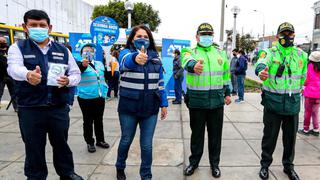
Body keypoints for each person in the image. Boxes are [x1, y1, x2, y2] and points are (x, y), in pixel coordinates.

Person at [7, 9, 83, 180]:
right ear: (24, 27)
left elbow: (76, 74)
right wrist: (27, 75)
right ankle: (35, 176)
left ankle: (67, 173)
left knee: (61, 144)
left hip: (58, 107)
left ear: (49, 27)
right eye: (33, 25)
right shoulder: (17, 47)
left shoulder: (63, 50)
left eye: (42, 25)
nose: (38, 28)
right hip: (30, 108)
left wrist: (68, 81)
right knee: (34, 147)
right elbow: (13, 68)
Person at [255, 22, 307, 180]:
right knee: (269, 137)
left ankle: (288, 167)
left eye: (290, 34)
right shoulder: (270, 52)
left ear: (293, 35)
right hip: (273, 102)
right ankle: (265, 165)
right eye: (284, 34)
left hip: (292, 104)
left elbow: (303, 77)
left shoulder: (301, 55)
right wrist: (261, 71)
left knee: (290, 139)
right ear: (277, 36)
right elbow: (261, 63)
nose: (287, 36)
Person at [115, 25, 168, 180]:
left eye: (145, 36)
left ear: (149, 39)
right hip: (128, 108)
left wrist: (164, 103)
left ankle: (146, 175)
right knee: (126, 140)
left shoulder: (155, 57)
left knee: (147, 145)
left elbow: (160, 83)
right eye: (138, 36)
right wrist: (136, 58)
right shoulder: (125, 53)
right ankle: (120, 166)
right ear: (132, 38)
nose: (142, 39)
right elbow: (125, 63)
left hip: (150, 108)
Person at [181, 23, 231, 178]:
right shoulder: (190, 51)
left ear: (212, 36)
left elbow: (225, 76)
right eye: (203, 34)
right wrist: (193, 65)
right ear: (197, 37)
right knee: (197, 135)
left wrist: (227, 93)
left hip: (216, 102)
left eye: (209, 34)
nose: (206, 37)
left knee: (215, 136)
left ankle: (214, 164)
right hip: (197, 102)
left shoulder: (220, 54)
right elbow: (186, 60)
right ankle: (194, 163)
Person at [76, 43, 110, 153]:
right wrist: (83, 65)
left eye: (90, 51)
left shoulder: (99, 63)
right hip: (85, 98)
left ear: (94, 53)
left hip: (100, 96)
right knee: (88, 121)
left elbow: (104, 76)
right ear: (81, 54)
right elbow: (77, 72)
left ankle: (100, 140)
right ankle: (89, 142)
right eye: (86, 51)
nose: (88, 53)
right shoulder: (78, 64)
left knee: (99, 120)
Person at [298, 51, 320, 137]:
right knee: (315, 112)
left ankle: (306, 129)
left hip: (309, 94)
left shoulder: (310, 66)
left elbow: (306, 80)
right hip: (319, 95)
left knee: (307, 112)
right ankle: (316, 129)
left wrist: (303, 86)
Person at [0, 36, 18, 111]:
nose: (3, 44)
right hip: (0, 76)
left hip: (10, 76)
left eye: (4, 42)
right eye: (1, 43)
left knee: (14, 92)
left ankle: (16, 107)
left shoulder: (10, 50)